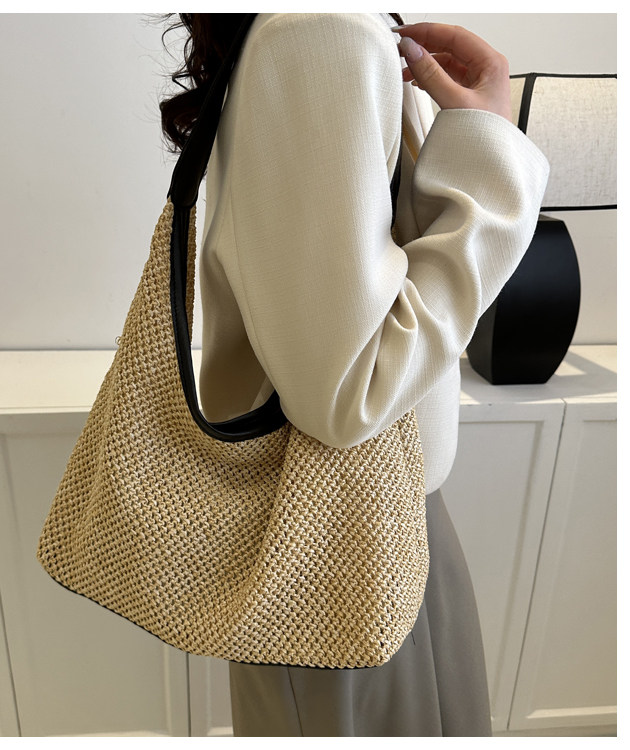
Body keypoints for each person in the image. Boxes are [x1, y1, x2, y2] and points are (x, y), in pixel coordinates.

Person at [159, 13, 549, 737]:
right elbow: (348, 395)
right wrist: (495, 173)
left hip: (366, 522)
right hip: (345, 543)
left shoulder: (330, 29)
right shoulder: (323, 33)